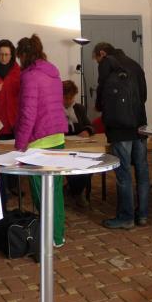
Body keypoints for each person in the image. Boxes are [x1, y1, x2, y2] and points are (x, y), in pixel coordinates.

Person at [15, 35, 68, 247]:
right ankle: (58, 235)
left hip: (39, 143)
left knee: (41, 194)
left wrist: (20, 144)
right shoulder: (53, 72)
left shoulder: (30, 76)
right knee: (56, 191)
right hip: (57, 138)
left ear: (23, 55)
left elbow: (28, 114)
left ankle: (49, 236)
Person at [93, 42, 149, 229]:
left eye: (97, 59)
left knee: (123, 173)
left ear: (102, 53)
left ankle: (126, 217)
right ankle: (142, 215)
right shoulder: (135, 64)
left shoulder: (107, 64)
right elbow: (143, 96)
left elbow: (101, 93)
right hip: (139, 125)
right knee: (142, 171)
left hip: (119, 129)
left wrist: (101, 108)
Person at [62, 79, 94, 208]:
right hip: (63, 149)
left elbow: (89, 125)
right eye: (66, 98)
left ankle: (73, 190)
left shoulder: (79, 108)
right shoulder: (54, 110)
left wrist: (87, 130)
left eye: (72, 98)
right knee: (72, 164)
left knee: (90, 165)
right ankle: (77, 192)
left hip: (80, 147)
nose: (69, 101)